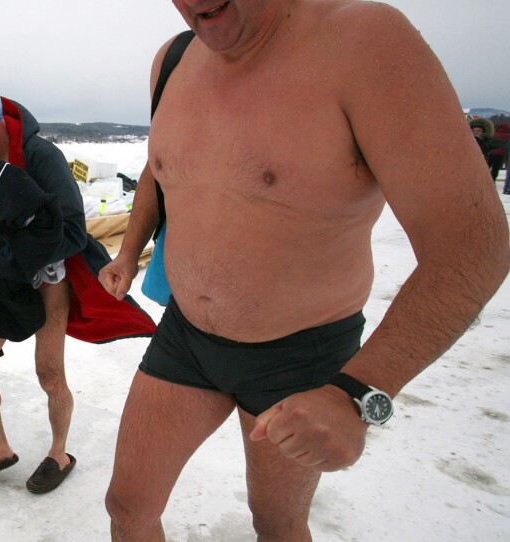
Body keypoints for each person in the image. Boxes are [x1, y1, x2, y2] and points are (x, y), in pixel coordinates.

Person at [98, 2, 510, 540]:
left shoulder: (364, 43)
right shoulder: (173, 59)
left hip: (300, 355)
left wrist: (359, 393)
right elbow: (160, 166)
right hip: (187, 337)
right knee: (128, 507)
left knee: (277, 523)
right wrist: (129, 251)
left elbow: (472, 245)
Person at [0, 73, 156, 495]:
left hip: (46, 279)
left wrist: (5, 253)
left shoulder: (39, 156)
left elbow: (73, 231)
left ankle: (60, 453)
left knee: (50, 374)